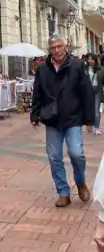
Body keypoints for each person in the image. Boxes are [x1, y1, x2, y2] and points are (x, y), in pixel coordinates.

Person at [31, 33, 94, 208]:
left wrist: (89, 119)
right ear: (49, 50)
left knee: (76, 153)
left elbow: (87, 93)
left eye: (60, 46)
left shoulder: (77, 66)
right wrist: (35, 114)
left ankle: (80, 183)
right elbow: (37, 92)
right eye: (53, 48)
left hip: (73, 118)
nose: (57, 50)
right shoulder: (43, 69)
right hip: (52, 119)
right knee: (54, 156)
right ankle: (63, 192)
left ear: (65, 47)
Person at [87, 54, 102, 135]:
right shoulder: (85, 69)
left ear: (95, 60)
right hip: (88, 91)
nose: (90, 61)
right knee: (89, 109)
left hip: (97, 90)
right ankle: (90, 125)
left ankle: (97, 127)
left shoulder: (100, 69)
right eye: (89, 59)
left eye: (92, 59)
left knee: (96, 110)